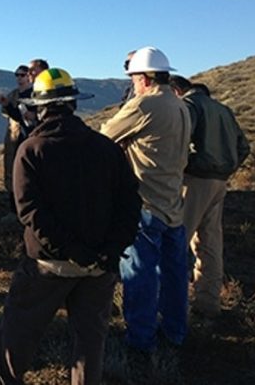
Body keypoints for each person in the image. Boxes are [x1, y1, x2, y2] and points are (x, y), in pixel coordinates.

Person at [0, 68, 141, 385]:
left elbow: (31, 213)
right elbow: (130, 205)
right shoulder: (107, 148)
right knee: (90, 341)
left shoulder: (32, 150)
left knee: (19, 329)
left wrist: (74, 252)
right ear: (73, 103)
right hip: (100, 267)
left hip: (48, 265)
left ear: (39, 107)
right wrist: (108, 252)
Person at [100, 46, 191, 356]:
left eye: (133, 77)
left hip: (145, 204)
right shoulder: (180, 105)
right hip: (173, 204)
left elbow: (105, 135)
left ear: (143, 78)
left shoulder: (145, 105)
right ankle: (175, 332)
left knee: (139, 276)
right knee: (175, 275)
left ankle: (140, 341)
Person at [170, 75, 250, 318]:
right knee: (210, 243)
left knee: (178, 242)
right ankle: (208, 302)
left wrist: (182, 167)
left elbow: (180, 140)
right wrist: (227, 169)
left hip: (194, 181)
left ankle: (175, 307)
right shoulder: (223, 110)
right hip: (220, 182)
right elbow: (244, 147)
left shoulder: (189, 106)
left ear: (177, 90)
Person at [0, 64, 35, 222]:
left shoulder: (35, 94)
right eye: (17, 75)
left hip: (30, 137)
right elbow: (10, 115)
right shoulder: (14, 94)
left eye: (22, 75)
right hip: (14, 137)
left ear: (29, 76)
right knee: (12, 172)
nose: (19, 78)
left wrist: (9, 107)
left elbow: (25, 118)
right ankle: (14, 209)